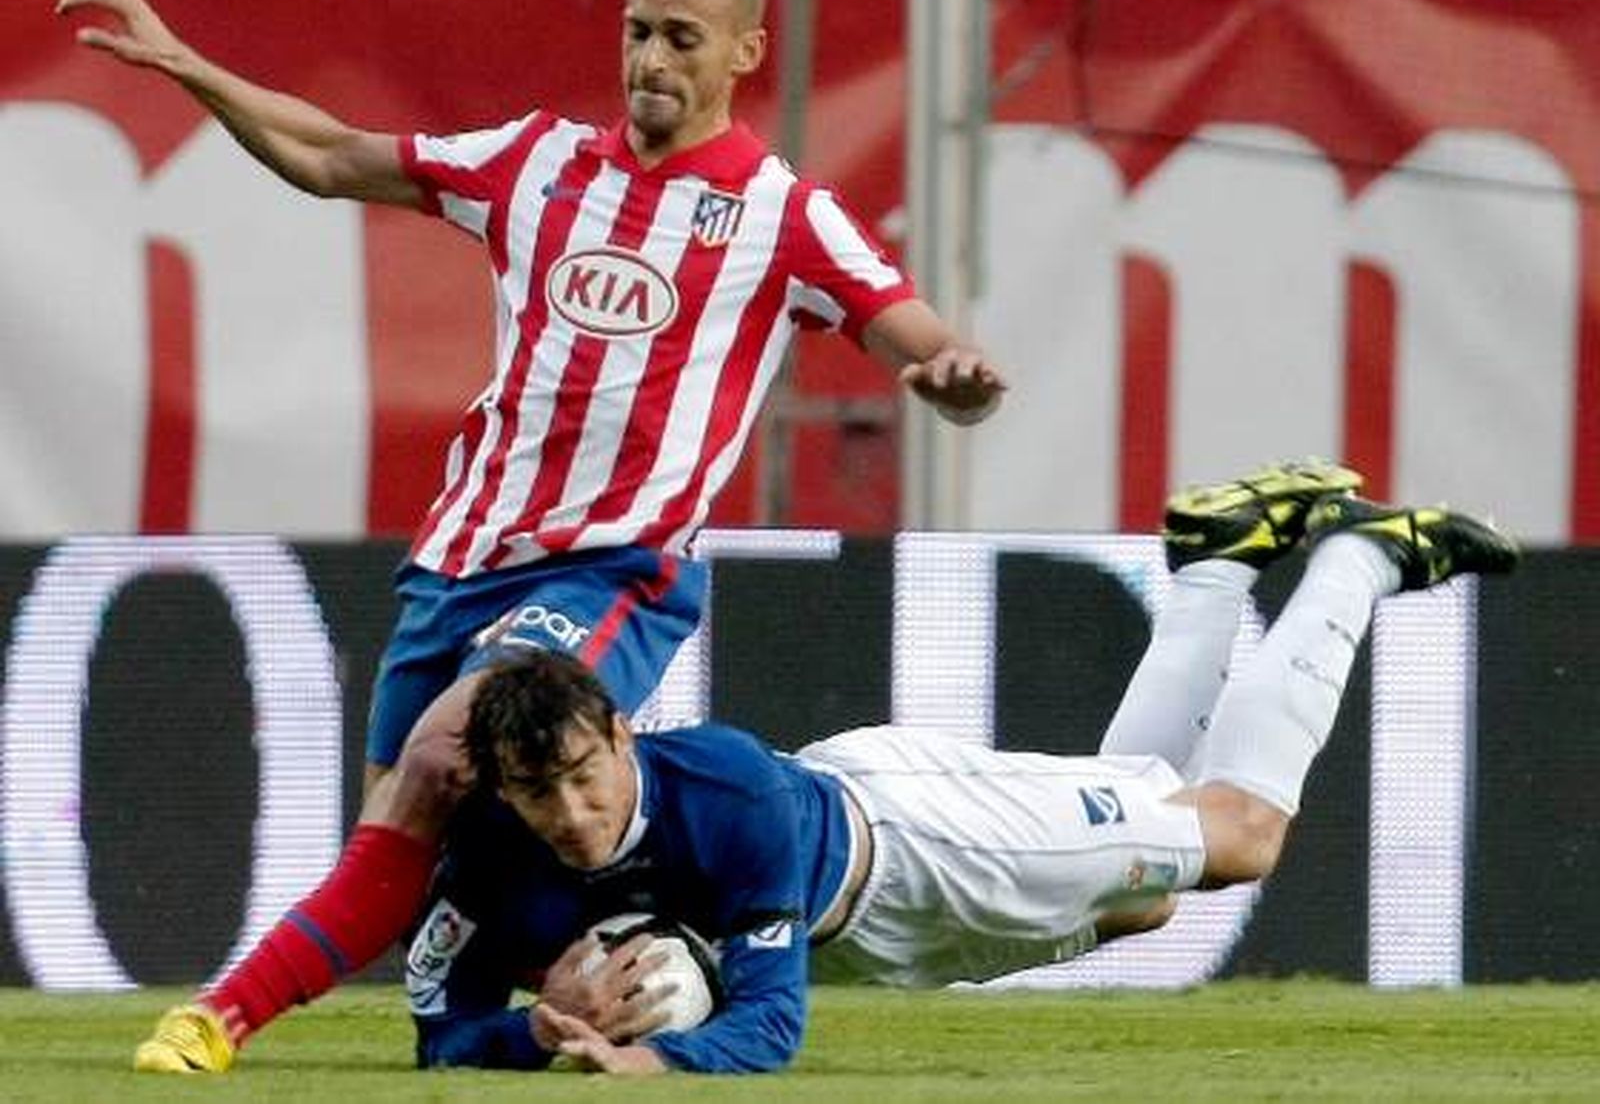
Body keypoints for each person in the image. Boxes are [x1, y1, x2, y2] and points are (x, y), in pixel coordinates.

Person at [54, 0, 1007, 1074]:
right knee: (424, 852)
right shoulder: (538, 162)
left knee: (442, 758)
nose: (651, 58)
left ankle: (216, 1021)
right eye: (637, 31)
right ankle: (602, 988)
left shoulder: (780, 216)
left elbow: (920, 340)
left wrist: (948, 375)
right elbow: (329, 155)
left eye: (682, 39)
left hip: (615, 570)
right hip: (459, 562)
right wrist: (186, 65)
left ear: (747, 50)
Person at [391, 459, 1518, 1074]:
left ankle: (1361, 563)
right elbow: (440, 1035)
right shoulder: (488, 856)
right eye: (540, 793)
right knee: (1151, 900)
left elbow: (770, 1026)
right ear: (500, 786)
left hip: (917, 848)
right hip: (875, 939)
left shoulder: (718, 791)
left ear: (624, 736)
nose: (575, 813)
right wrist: (530, 1035)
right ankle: (1218, 571)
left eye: (589, 776)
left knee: (1237, 836)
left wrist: (662, 1073)